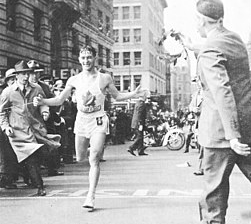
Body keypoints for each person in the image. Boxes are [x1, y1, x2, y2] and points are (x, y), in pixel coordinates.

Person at [183, 0, 251, 223]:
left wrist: (232, 135)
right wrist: (193, 47)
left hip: (221, 134)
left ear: (201, 20)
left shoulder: (210, 50)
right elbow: (218, 49)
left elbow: (222, 91)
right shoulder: (234, 39)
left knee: (214, 195)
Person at [34, 45, 144, 211]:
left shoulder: (104, 78)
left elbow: (116, 96)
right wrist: (43, 102)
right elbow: (59, 100)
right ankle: (91, 157)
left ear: (94, 58)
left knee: (94, 157)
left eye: (89, 57)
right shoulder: (74, 80)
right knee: (80, 157)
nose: (86, 61)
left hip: (98, 119)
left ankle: (90, 195)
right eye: (83, 58)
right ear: (79, 59)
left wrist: (133, 94)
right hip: (82, 120)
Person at [0, 60, 61, 196]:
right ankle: (40, 186)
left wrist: (45, 111)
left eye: (27, 73)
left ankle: (33, 180)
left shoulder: (37, 89)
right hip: (17, 131)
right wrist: (5, 127)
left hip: (35, 128)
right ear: (16, 76)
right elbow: (2, 112)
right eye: (22, 74)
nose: (26, 77)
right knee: (31, 157)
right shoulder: (8, 92)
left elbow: (43, 103)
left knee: (37, 155)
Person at [127, 90, 150, 156]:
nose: (146, 98)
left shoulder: (138, 103)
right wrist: (140, 124)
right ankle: (131, 148)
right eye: (146, 96)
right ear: (144, 96)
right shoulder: (141, 104)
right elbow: (139, 114)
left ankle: (140, 150)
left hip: (136, 123)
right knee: (139, 137)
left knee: (141, 136)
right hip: (138, 123)